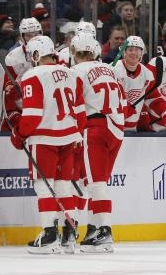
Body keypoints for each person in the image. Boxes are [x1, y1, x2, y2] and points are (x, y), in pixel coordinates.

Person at [9, 35, 86, 254]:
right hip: (70, 137)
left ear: (35, 55)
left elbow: (32, 115)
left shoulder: (33, 75)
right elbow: (80, 116)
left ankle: (49, 234)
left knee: (44, 185)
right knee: (63, 184)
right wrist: (75, 135)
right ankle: (68, 234)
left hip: (44, 138)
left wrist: (19, 134)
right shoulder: (72, 74)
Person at [70, 33, 126, 253]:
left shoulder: (75, 71)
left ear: (75, 52)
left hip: (96, 127)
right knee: (94, 181)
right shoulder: (110, 70)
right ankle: (93, 229)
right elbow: (124, 103)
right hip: (117, 129)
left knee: (95, 183)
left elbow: (75, 103)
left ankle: (105, 230)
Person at [113, 35, 166, 131]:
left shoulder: (147, 74)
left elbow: (154, 98)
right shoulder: (114, 70)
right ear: (124, 52)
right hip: (113, 127)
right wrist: (124, 108)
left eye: (137, 50)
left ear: (142, 53)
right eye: (130, 49)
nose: (133, 53)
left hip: (132, 128)